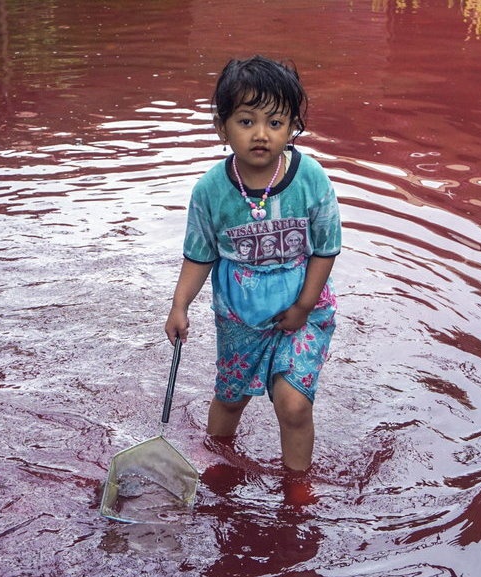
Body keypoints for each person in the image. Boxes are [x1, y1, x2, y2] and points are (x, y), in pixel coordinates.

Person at [164, 55, 341, 473]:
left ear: (292, 127)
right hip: (240, 317)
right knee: (230, 398)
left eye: (275, 122)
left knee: (294, 404)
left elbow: (326, 248)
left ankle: (297, 487)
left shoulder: (310, 178)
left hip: (303, 309)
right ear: (221, 127)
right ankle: (217, 464)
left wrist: (302, 307)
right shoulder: (211, 190)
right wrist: (179, 305)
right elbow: (199, 254)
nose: (261, 134)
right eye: (246, 121)